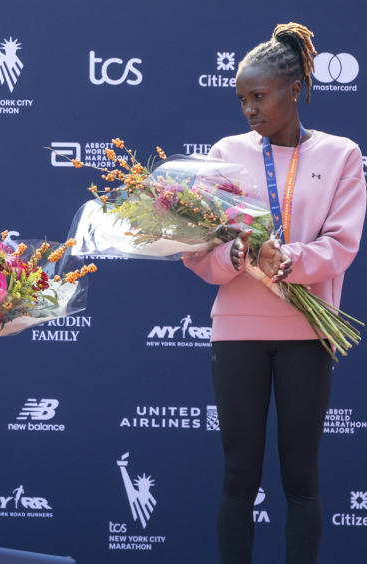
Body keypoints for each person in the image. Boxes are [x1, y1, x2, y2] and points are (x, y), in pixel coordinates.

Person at [183, 23, 366, 564]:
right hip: (237, 332)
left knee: (301, 476)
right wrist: (238, 256)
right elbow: (199, 248)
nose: (250, 111)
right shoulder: (225, 153)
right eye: (242, 100)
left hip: (308, 333)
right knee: (238, 474)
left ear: (294, 89)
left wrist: (288, 259)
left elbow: (342, 242)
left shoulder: (342, 155)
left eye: (259, 97)